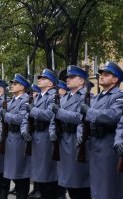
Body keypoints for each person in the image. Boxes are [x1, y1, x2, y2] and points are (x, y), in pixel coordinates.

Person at [80, 61, 123, 199]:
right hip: (94, 145)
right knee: (96, 188)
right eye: (101, 74)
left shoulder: (119, 96)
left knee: (108, 189)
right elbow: (84, 121)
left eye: (106, 74)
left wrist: (89, 111)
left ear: (115, 79)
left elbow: (112, 116)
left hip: (108, 146)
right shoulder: (97, 97)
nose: (101, 76)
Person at [21, 69, 63, 199]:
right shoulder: (38, 96)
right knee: (40, 176)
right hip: (36, 137)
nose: (39, 79)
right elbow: (26, 117)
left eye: (43, 78)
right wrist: (24, 130)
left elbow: (49, 115)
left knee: (48, 176)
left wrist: (32, 110)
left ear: (51, 83)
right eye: (39, 77)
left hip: (46, 137)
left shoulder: (54, 97)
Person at [51, 65, 91, 199]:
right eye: (67, 77)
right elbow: (53, 118)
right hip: (63, 141)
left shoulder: (87, 96)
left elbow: (81, 117)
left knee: (80, 184)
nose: (68, 79)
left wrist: (60, 112)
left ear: (81, 81)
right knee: (69, 183)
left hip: (76, 140)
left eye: (72, 77)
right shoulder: (64, 98)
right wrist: (53, 131)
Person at [0, 74, 31, 199]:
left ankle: (22, 196)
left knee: (21, 172)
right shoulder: (11, 100)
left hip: (19, 139)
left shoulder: (26, 100)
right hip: (10, 138)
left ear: (22, 87)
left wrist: (6, 115)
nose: (12, 86)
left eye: (15, 84)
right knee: (12, 172)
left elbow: (20, 119)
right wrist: (0, 132)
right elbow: (2, 120)